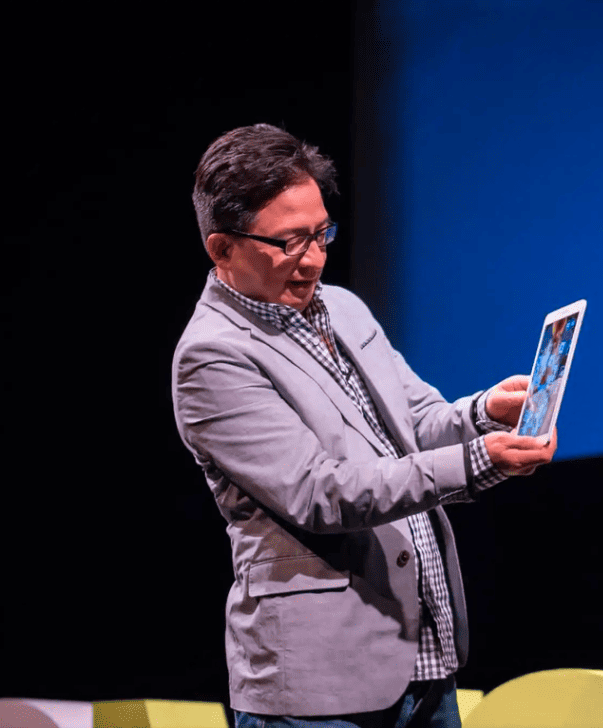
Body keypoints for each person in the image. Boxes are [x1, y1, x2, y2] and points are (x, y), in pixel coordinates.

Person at [171, 123, 557, 728]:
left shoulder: (343, 308)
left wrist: (484, 413)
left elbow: (418, 421)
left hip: (422, 656)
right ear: (222, 248)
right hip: (317, 690)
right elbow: (323, 493)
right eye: (290, 243)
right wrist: (479, 462)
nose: (315, 259)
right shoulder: (212, 356)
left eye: (321, 234)